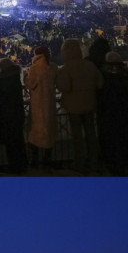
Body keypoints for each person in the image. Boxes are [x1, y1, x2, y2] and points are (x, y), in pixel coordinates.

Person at [55, 38, 103, 173]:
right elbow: (100, 84)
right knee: (91, 135)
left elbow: (64, 86)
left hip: (73, 107)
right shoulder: (90, 65)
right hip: (90, 104)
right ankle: (94, 162)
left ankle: (79, 163)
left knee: (77, 137)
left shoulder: (67, 68)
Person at [24, 44, 57, 167]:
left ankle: (35, 161)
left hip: (37, 105)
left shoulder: (34, 68)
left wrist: (26, 77)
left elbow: (30, 84)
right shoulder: (52, 67)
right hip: (50, 104)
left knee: (35, 132)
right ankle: (47, 160)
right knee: (49, 132)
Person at [0, 59, 27, 174]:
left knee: (10, 142)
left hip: (7, 114)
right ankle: (22, 164)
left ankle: (14, 165)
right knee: (19, 139)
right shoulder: (15, 77)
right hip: (18, 113)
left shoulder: (3, 80)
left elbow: (1, 98)